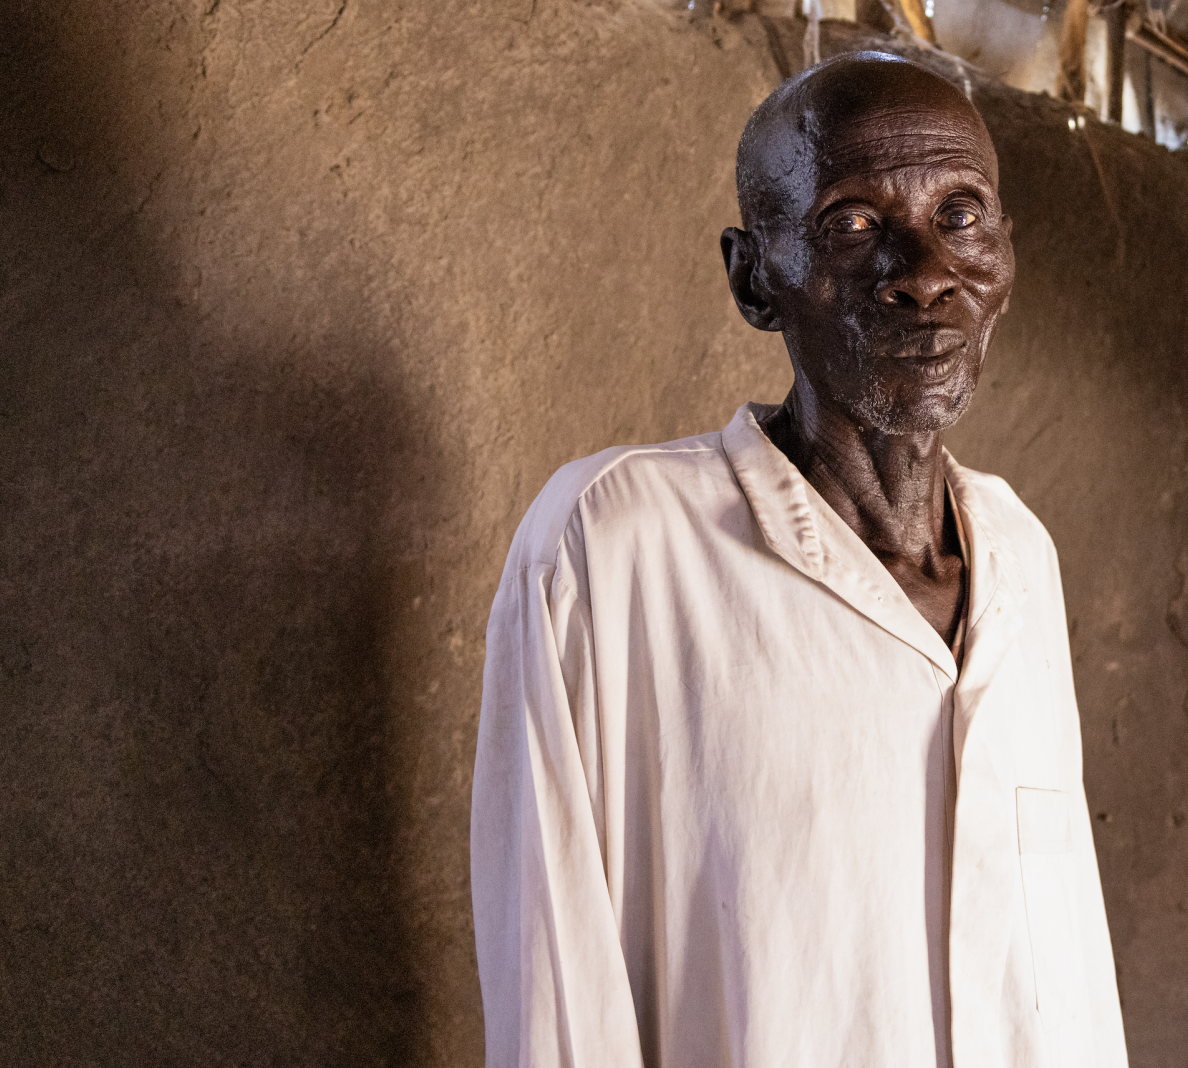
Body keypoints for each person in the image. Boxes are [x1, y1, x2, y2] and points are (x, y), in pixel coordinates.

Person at [471, 51, 1128, 1068]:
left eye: (961, 215)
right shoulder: (618, 542)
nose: (922, 272)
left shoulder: (1020, 557)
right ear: (754, 278)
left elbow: (1063, 975)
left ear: (1004, 253)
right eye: (853, 225)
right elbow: (555, 993)